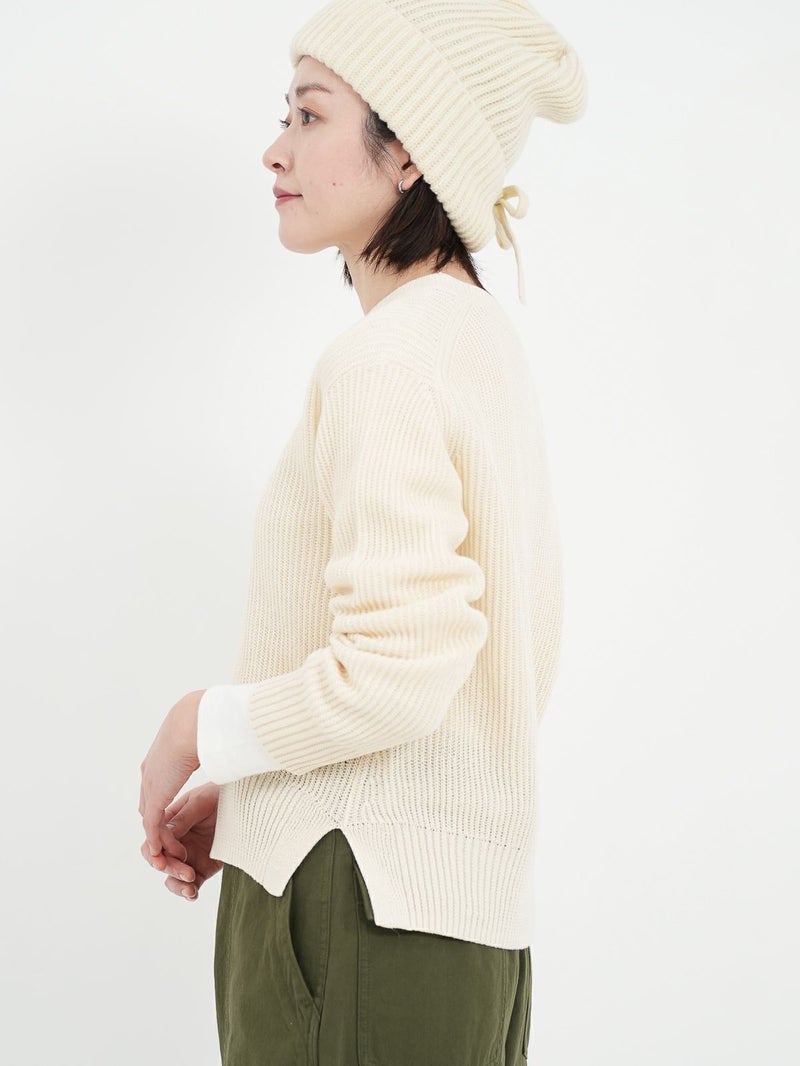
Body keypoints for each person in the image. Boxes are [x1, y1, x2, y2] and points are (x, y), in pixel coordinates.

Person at [138, 1, 587, 1062]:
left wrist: (202, 724)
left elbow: (399, 668)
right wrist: (263, 789)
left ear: (410, 151)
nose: (275, 149)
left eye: (309, 115)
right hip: (454, 923)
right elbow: (468, 673)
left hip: (353, 914)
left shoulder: (385, 359)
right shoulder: (478, 341)